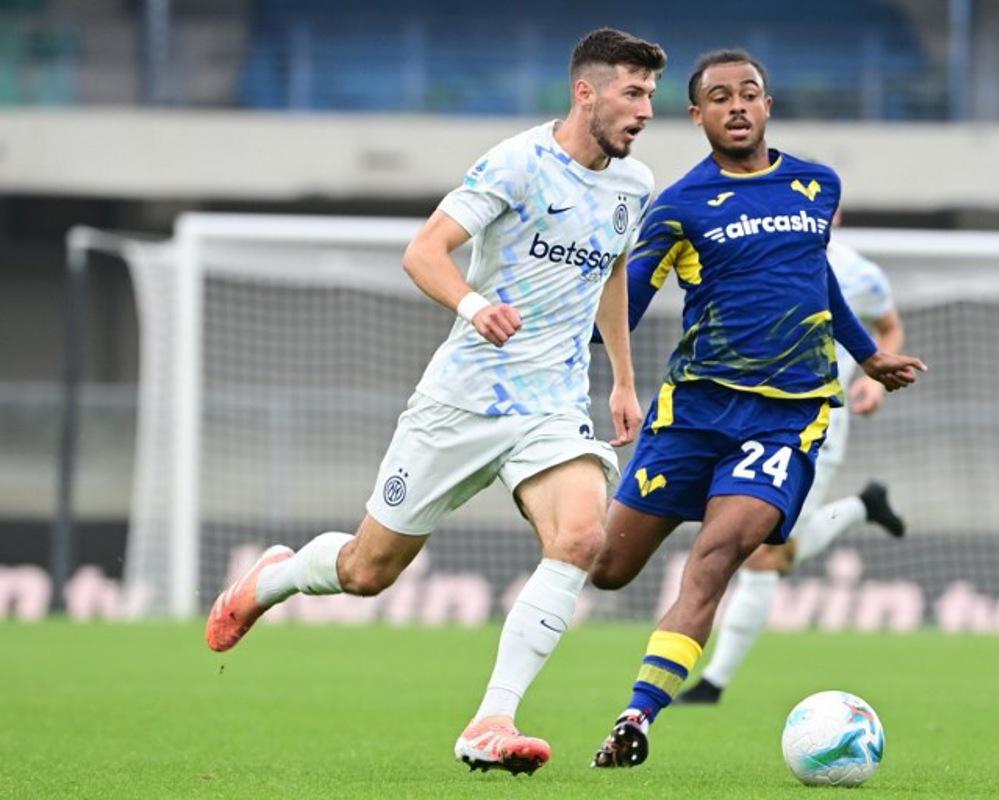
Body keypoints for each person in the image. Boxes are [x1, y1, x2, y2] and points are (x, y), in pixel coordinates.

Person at [204, 28, 666, 776]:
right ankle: (277, 576)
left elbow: (612, 273)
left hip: (550, 404)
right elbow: (425, 251)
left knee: (581, 539)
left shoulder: (633, 184)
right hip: (462, 400)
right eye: (633, 93)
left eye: (651, 95)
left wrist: (621, 377)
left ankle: (492, 719)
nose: (646, 110)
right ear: (586, 92)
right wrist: (475, 303)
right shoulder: (517, 164)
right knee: (366, 571)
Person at [587, 49, 925, 768]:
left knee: (715, 559)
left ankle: (637, 716)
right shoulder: (677, 207)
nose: (737, 105)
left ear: (767, 105)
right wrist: (573, 325)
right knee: (607, 568)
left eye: (750, 93)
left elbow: (818, 281)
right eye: (720, 96)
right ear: (697, 114)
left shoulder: (816, 185)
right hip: (694, 412)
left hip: (787, 418)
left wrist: (867, 357)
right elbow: (626, 304)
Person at [677, 217, 908, 706]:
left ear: (833, 215)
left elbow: (889, 326)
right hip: (745, 417)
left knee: (762, 551)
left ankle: (714, 683)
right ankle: (864, 507)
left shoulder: (858, 274)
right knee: (758, 545)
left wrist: (871, 379)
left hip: (815, 427)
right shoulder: (751, 256)